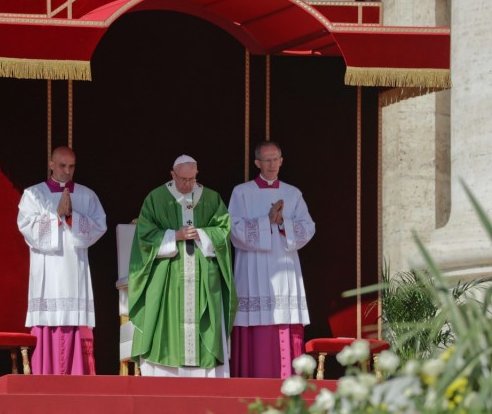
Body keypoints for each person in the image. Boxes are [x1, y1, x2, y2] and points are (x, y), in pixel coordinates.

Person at [128, 154, 237, 377]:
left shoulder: (211, 198)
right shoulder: (156, 198)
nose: (188, 184)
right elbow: (144, 237)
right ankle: (163, 374)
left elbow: (224, 231)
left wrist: (203, 234)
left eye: (192, 179)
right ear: (173, 174)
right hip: (168, 277)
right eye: (183, 179)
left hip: (203, 276)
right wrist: (174, 235)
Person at [228, 140, 315, 378]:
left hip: (284, 263)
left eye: (276, 159)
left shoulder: (293, 193)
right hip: (252, 266)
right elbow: (233, 228)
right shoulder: (242, 192)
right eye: (266, 160)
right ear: (257, 162)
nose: (272, 164)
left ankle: (287, 378)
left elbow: (308, 227)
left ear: (282, 161)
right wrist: (265, 221)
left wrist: (283, 223)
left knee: (283, 315)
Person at [17, 146, 107, 375]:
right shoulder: (33, 194)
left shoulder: (86, 195)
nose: (67, 171)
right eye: (62, 166)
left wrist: (72, 218)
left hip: (74, 270)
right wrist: (55, 216)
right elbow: (27, 228)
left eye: (72, 166)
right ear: (51, 164)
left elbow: (99, 225)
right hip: (48, 273)